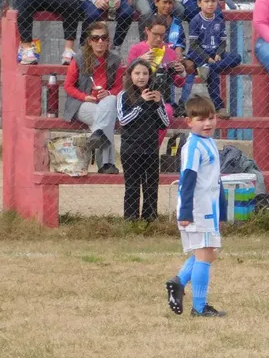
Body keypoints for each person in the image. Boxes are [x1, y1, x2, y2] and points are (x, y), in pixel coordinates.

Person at [165, 94, 225, 318]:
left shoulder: (209, 142)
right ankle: (199, 308)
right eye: (200, 119)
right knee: (204, 256)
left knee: (209, 253)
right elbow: (187, 181)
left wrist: (221, 208)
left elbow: (214, 180)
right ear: (189, 122)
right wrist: (186, 212)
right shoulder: (192, 147)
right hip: (198, 209)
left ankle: (178, 282)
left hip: (209, 208)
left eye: (210, 118)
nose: (207, 123)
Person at [64, 21, 124, 174]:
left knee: (110, 103)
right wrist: (85, 97)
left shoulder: (115, 60)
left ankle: (97, 136)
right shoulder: (79, 59)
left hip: (106, 103)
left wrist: (109, 93)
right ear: (89, 41)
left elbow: (119, 87)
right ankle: (106, 164)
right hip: (81, 103)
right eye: (96, 38)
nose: (100, 42)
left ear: (108, 41)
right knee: (107, 119)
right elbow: (68, 86)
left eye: (104, 38)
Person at [118, 59, 170, 221]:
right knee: (132, 186)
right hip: (131, 149)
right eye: (137, 73)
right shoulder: (124, 95)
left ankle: (150, 220)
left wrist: (157, 105)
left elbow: (165, 123)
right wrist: (141, 102)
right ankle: (131, 220)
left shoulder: (156, 96)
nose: (141, 77)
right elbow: (123, 120)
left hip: (150, 149)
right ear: (130, 75)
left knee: (151, 187)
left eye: (145, 73)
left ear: (150, 76)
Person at [184, 0, 242, 117]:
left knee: (236, 57)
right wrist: (206, 58)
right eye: (206, 1)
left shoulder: (219, 20)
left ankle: (209, 68)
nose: (210, 4)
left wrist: (218, 54)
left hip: (215, 54)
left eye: (213, 1)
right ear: (199, 3)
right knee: (211, 70)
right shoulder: (195, 21)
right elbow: (193, 44)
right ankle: (219, 106)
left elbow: (222, 42)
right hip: (199, 54)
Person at [127, 14, 188, 129]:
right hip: (137, 95)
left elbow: (178, 83)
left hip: (161, 97)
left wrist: (182, 72)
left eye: (162, 35)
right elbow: (127, 76)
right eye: (155, 34)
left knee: (168, 112)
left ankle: (156, 145)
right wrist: (140, 61)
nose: (159, 39)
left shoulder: (170, 52)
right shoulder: (136, 49)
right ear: (147, 31)